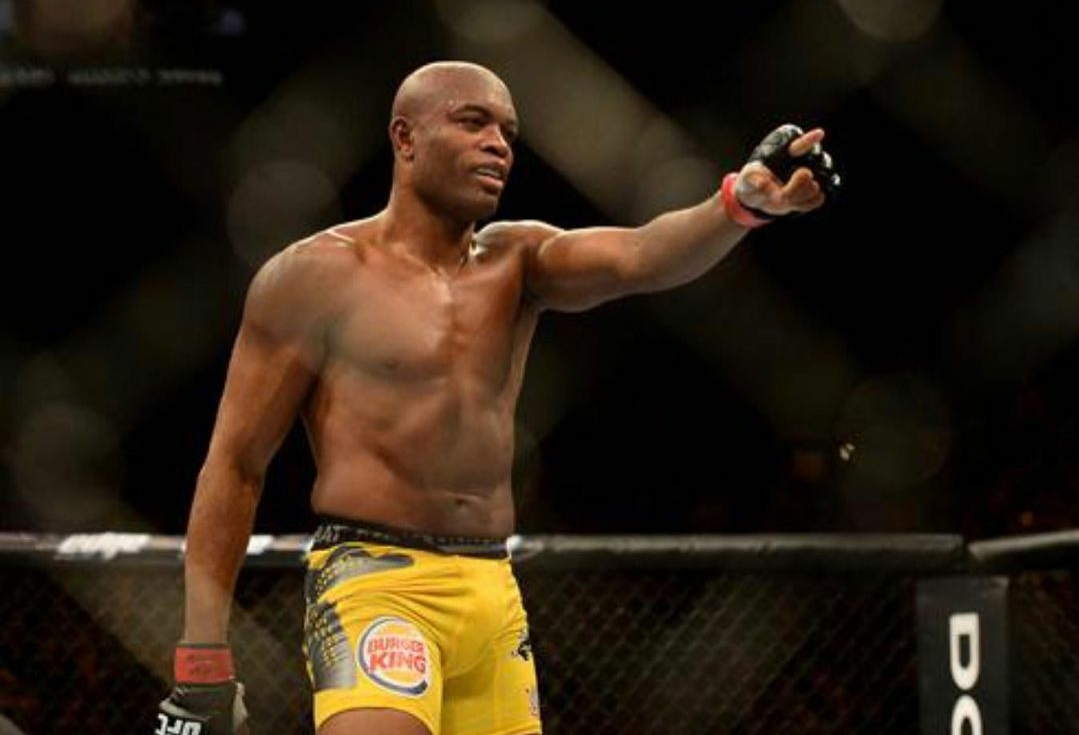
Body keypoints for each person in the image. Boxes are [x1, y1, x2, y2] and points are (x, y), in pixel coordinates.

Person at [154, 59, 839, 735]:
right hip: (374, 582)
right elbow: (235, 465)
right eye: (473, 122)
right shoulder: (313, 277)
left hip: (491, 586)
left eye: (508, 132)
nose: (498, 145)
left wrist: (738, 205)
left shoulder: (518, 261)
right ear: (405, 138)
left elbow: (641, 255)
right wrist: (201, 657)